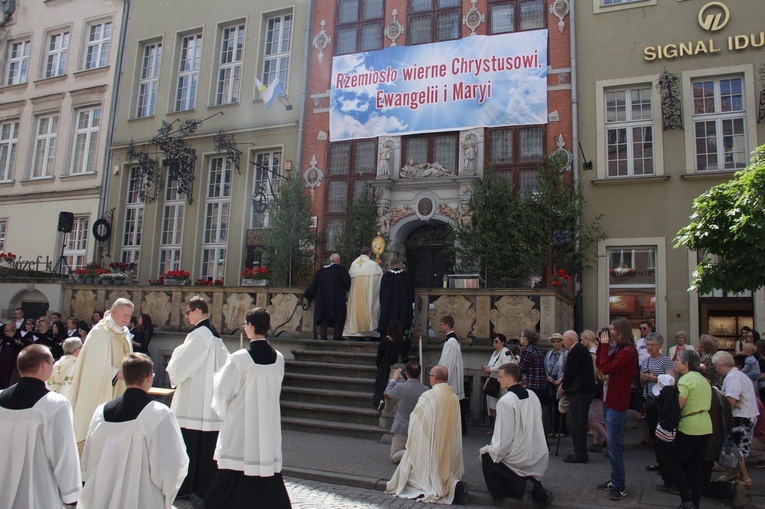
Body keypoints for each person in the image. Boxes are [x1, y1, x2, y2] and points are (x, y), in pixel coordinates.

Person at [205, 308, 291, 509]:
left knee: (234, 469)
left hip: (243, 421)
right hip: (267, 422)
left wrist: (216, 379)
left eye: (245, 325)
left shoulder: (240, 358)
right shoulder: (278, 357)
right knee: (264, 465)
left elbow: (223, 390)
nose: (244, 329)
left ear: (251, 326)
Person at [79, 353, 189, 509]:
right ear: (149, 377)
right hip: (141, 499)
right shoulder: (158, 414)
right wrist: (167, 496)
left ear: (123, 376)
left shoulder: (100, 413)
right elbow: (172, 464)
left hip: (102, 498)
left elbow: (88, 459)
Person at [0, 344, 82, 508]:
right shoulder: (55, 405)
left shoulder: (1, 397)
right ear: (44, 366)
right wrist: (71, 496)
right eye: (52, 363)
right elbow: (64, 454)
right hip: (39, 493)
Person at [166, 296, 230, 501]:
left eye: (187, 312)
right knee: (205, 447)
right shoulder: (214, 335)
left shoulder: (200, 335)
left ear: (197, 310)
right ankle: (201, 487)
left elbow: (181, 364)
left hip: (193, 402)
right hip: (207, 403)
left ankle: (187, 487)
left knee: (190, 445)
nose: (186, 317)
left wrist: (172, 369)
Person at [386, 365, 468, 504]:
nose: (429, 379)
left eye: (430, 376)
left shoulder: (429, 395)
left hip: (430, 441)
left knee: (412, 472)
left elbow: (417, 420)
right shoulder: (453, 396)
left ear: (435, 378)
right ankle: (450, 483)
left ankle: (444, 485)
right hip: (446, 441)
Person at [480, 363, 554, 506]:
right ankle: (539, 492)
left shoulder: (506, 401)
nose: (497, 380)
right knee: (520, 472)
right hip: (537, 451)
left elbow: (504, 436)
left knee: (488, 458)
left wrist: (492, 451)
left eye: (500, 377)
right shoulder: (532, 395)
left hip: (518, 455)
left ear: (509, 378)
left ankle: (507, 494)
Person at [68, 297, 134, 442]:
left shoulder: (125, 332)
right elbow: (92, 367)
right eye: (124, 315)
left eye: (129, 315)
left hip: (121, 386)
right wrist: (116, 373)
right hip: (102, 387)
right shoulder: (100, 332)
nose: (127, 319)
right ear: (114, 312)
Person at [595, 318, 638, 501]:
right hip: (609, 401)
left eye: (613, 329)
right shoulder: (620, 349)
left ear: (621, 331)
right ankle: (615, 480)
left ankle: (620, 486)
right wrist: (600, 346)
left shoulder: (628, 352)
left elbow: (606, 368)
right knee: (612, 446)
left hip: (616, 403)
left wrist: (604, 347)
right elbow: (600, 364)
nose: (610, 332)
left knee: (614, 447)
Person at [668, 350, 712, 509]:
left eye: (678, 360)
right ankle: (695, 503)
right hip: (705, 426)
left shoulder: (686, 380)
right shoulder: (703, 379)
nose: (675, 362)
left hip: (689, 427)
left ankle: (686, 500)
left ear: (686, 364)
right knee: (695, 467)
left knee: (674, 463)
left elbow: (677, 406)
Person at [712, 351, 759, 490]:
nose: (716, 369)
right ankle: (735, 472)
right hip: (745, 415)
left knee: (736, 449)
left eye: (717, 366)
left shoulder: (733, 377)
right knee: (735, 447)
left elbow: (731, 400)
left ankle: (746, 478)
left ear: (725, 365)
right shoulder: (736, 375)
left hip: (741, 417)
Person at [638, 332, 675, 469]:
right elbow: (642, 382)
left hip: (661, 400)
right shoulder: (645, 361)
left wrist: (653, 378)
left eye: (653, 345)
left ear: (660, 345)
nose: (649, 347)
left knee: (662, 432)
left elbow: (671, 380)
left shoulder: (666, 360)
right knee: (653, 430)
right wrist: (643, 379)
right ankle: (660, 460)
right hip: (649, 399)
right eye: (648, 344)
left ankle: (666, 461)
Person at [560, 329, 595, 463]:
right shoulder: (578, 349)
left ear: (570, 340)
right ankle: (578, 451)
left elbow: (571, 372)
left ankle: (580, 453)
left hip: (580, 392)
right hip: (580, 391)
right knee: (577, 422)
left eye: (563, 340)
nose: (563, 343)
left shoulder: (576, 350)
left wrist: (564, 387)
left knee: (578, 423)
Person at [384, 360, 428, 464]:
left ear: (406, 373)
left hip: (401, 427)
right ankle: (417, 452)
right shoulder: (426, 389)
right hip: (418, 428)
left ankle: (414, 453)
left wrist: (394, 380)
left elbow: (387, 394)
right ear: (419, 374)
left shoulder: (400, 387)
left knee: (394, 456)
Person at [303, 253, 351, 341]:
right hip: (337, 300)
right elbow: (347, 285)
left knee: (323, 317)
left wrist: (307, 295)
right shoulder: (341, 270)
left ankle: (323, 336)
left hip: (323, 300)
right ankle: (337, 336)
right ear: (337, 260)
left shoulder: (321, 271)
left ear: (330, 260)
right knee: (338, 317)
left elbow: (313, 285)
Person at [343, 247, 383, 340]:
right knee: (370, 306)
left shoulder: (354, 264)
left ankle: (356, 333)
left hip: (355, 297)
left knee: (356, 308)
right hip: (368, 294)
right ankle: (370, 332)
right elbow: (381, 278)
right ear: (369, 254)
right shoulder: (373, 265)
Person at [438, 315, 467, 434]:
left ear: (447, 325)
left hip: (451, 376)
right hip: (452, 374)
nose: (441, 326)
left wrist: (441, 375)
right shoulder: (451, 340)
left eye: (441, 324)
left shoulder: (451, 341)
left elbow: (447, 361)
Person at [373, 319, 410, 410]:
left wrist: (379, 365)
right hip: (399, 366)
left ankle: (380, 399)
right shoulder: (406, 341)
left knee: (381, 384)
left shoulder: (385, 341)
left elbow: (379, 355)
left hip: (385, 365)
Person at [581, 329, 607, 452]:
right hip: (600, 386)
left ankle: (608, 438)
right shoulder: (597, 349)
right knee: (596, 414)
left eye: (582, 340)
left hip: (595, 385)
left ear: (587, 339)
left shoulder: (592, 352)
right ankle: (597, 441)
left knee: (593, 417)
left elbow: (595, 371)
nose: (582, 342)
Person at [518, 329, 548, 431]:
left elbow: (521, 368)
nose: (520, 339)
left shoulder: (527, 351)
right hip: (542, 385)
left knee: (531, 412)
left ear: (526, 338)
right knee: (538, 410)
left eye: (521, 336)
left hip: (532, 384)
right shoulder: (537, 349)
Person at [377, 257, 414, 336]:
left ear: (391, 265)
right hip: (402, 303)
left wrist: (382, 302)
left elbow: (382, 291)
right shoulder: (405, 276)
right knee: (402, 317)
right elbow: (410, 291)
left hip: (388, 303)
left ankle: (387, 332)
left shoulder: (386, 276)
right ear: (399, 264)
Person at [482, 333, 512, 425]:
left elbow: (505, 365)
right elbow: (492, 364)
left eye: (496, 341)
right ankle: (496, 427)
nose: (494, 343)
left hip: (500, 382)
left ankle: (501, 428)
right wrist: (486, 368)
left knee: (499, 406)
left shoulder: (505, 352)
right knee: (492, 407)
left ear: (502, 342)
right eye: (493, 341)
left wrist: (490, 369)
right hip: (492, 380)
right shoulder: (494, 353)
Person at [545, 332, 567, 437]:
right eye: (554, 341)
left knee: (560, 404)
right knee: (551, 405)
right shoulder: (549, 353)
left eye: (558, 341)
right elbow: (545, 366)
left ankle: (561, 429)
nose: (556, 343)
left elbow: (567, 368)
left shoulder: (565, 353)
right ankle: (552, 429)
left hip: (560, 380)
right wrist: (548, 376)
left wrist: (560, 380)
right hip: (550, 380)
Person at [0, 321, 22, 389]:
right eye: (6, 325)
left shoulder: (18, 334)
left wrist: (19, 343)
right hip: (4, 355)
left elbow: (20, 345)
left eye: (9, 325)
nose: (7, 327)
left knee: (10, 371)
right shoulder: (3, 335)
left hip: (13, 355)